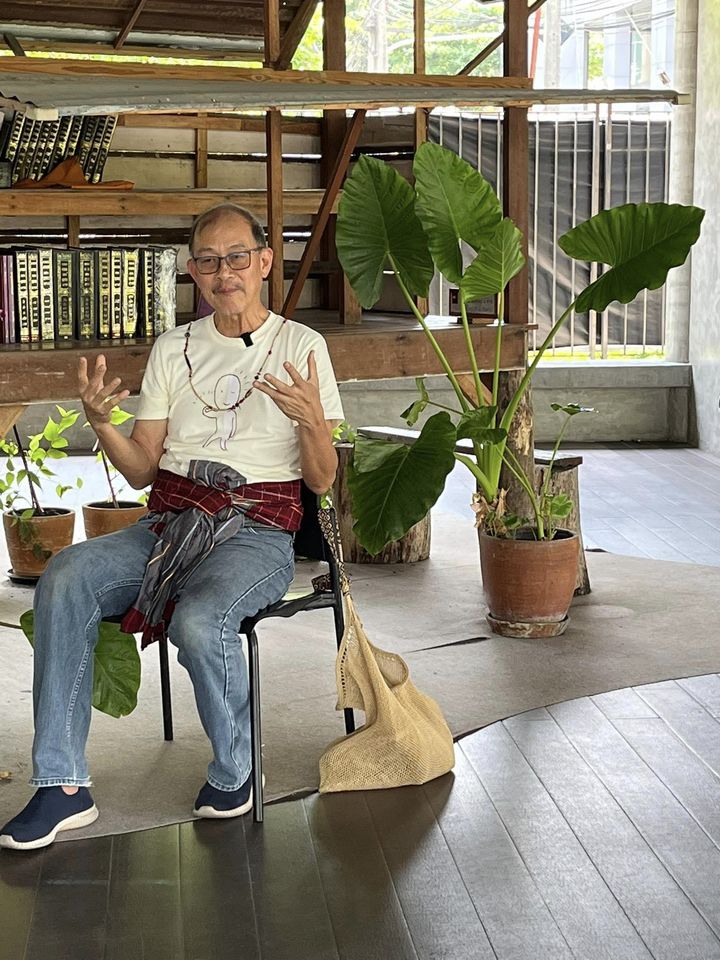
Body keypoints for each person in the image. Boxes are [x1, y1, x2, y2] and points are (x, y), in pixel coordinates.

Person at [0, 203, 344, 851]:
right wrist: (101, 423)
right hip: (170, 523)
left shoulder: (302, 347)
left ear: (264, 262)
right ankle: (63, 787)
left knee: (201, 618)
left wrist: (311, 420)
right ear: (193, 271)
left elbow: (322, 480)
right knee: (66, 575)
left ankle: (236, 769)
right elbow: (140, 470)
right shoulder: (174, 347)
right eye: (208, 261)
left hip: (257, 532)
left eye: (237, 257)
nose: (224, 272)